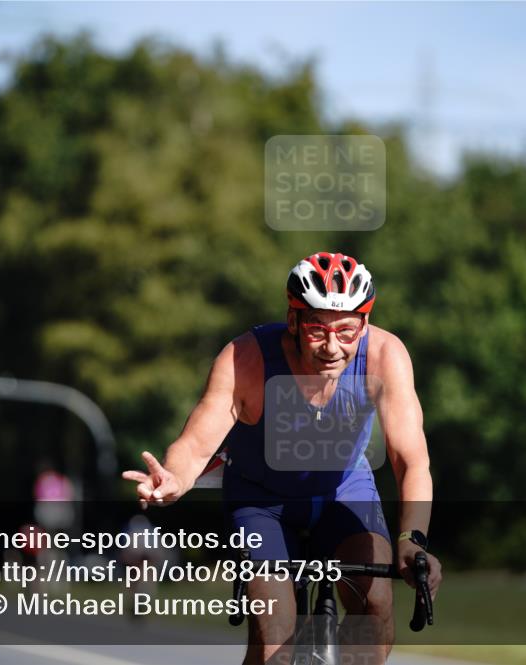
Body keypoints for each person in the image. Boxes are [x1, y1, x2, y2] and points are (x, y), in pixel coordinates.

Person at [123, 252, 442, 665]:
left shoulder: (386, 356)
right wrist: (175, 480)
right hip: (261, 499)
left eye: (346, 332)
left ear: (364, 324)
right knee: (274, 635)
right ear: (292, 321)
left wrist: (411, 540)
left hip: (343, 488)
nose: (332, 347)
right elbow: (196, 444)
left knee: (376, 603)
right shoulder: (246, 360)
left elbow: (411, 459)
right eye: (316, 330)